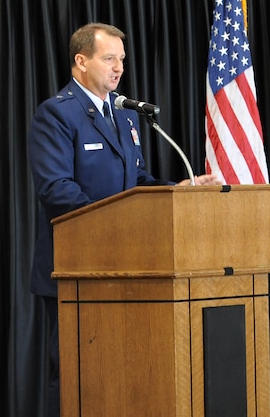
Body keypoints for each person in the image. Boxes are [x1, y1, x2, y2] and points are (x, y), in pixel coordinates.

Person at [28, 22, 221, 417]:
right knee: (73, 373)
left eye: (122, 60)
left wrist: (176, 189)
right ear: (80, 62)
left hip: (126, 268)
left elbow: (138, 182)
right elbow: (56, 189)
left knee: (117, 372)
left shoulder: (125, 116)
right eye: (109, 59)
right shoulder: (58, 113)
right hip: (74, 267)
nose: (118, 68)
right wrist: (114, 225)